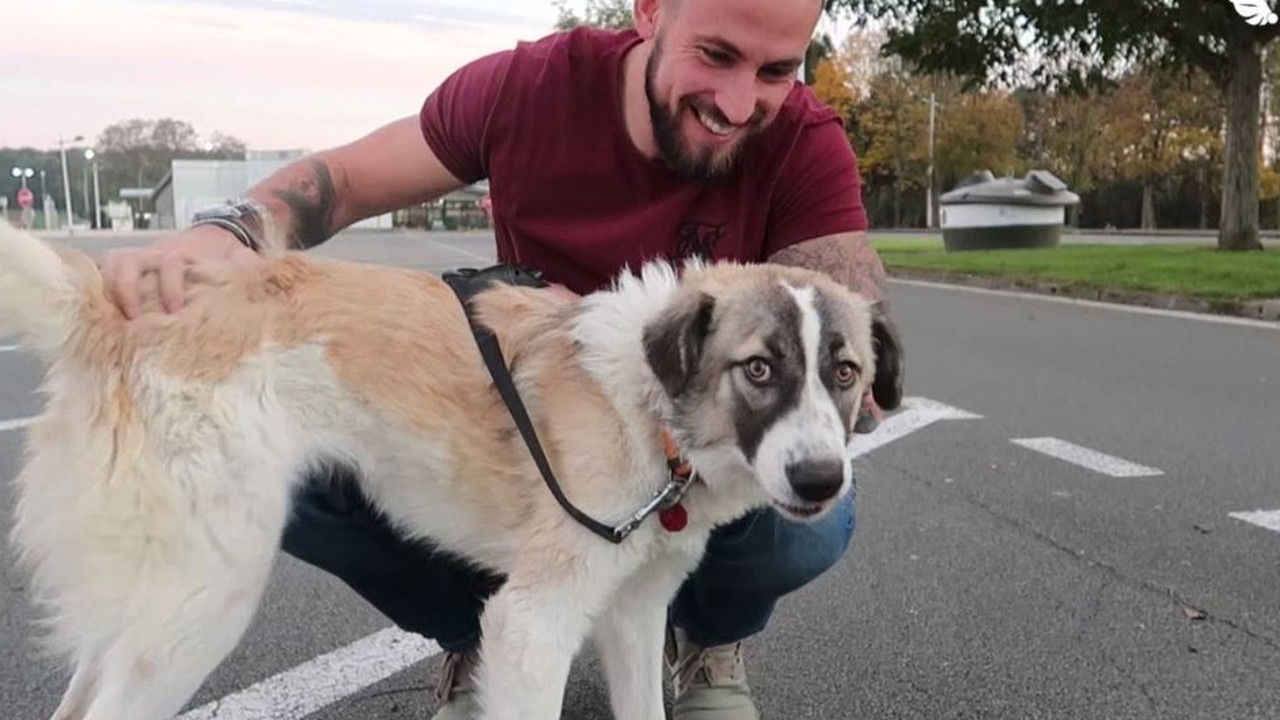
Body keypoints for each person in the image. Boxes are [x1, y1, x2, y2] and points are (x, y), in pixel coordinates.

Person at [99, 0, 905, 717]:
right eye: (717, 55)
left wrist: (813, 365)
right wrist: (229, 229)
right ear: (651, 10)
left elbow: (844, 340)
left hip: (684, 436)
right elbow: (342, 180)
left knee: (802, 517)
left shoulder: (802, 139)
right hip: (521, 412)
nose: (737, 104)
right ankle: (479, 639)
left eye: (775, 70)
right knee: (309, 482)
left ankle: (711, 642)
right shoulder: (528, 89)